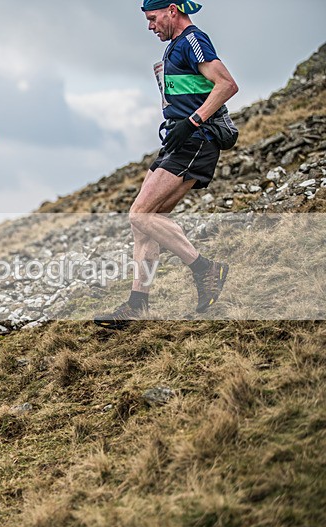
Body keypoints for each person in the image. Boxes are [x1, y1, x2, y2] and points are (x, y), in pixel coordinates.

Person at [94, 0, 239, 329]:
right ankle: (137, 304)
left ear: (172, 10)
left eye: (153, 18)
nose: (150, 25)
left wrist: (193, 121)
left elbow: (227, 85)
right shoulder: (176, 46)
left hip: (196, 140)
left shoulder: (192, 40)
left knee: (140, 214)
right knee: (143, 222)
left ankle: (205, 269)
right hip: (179, 140)